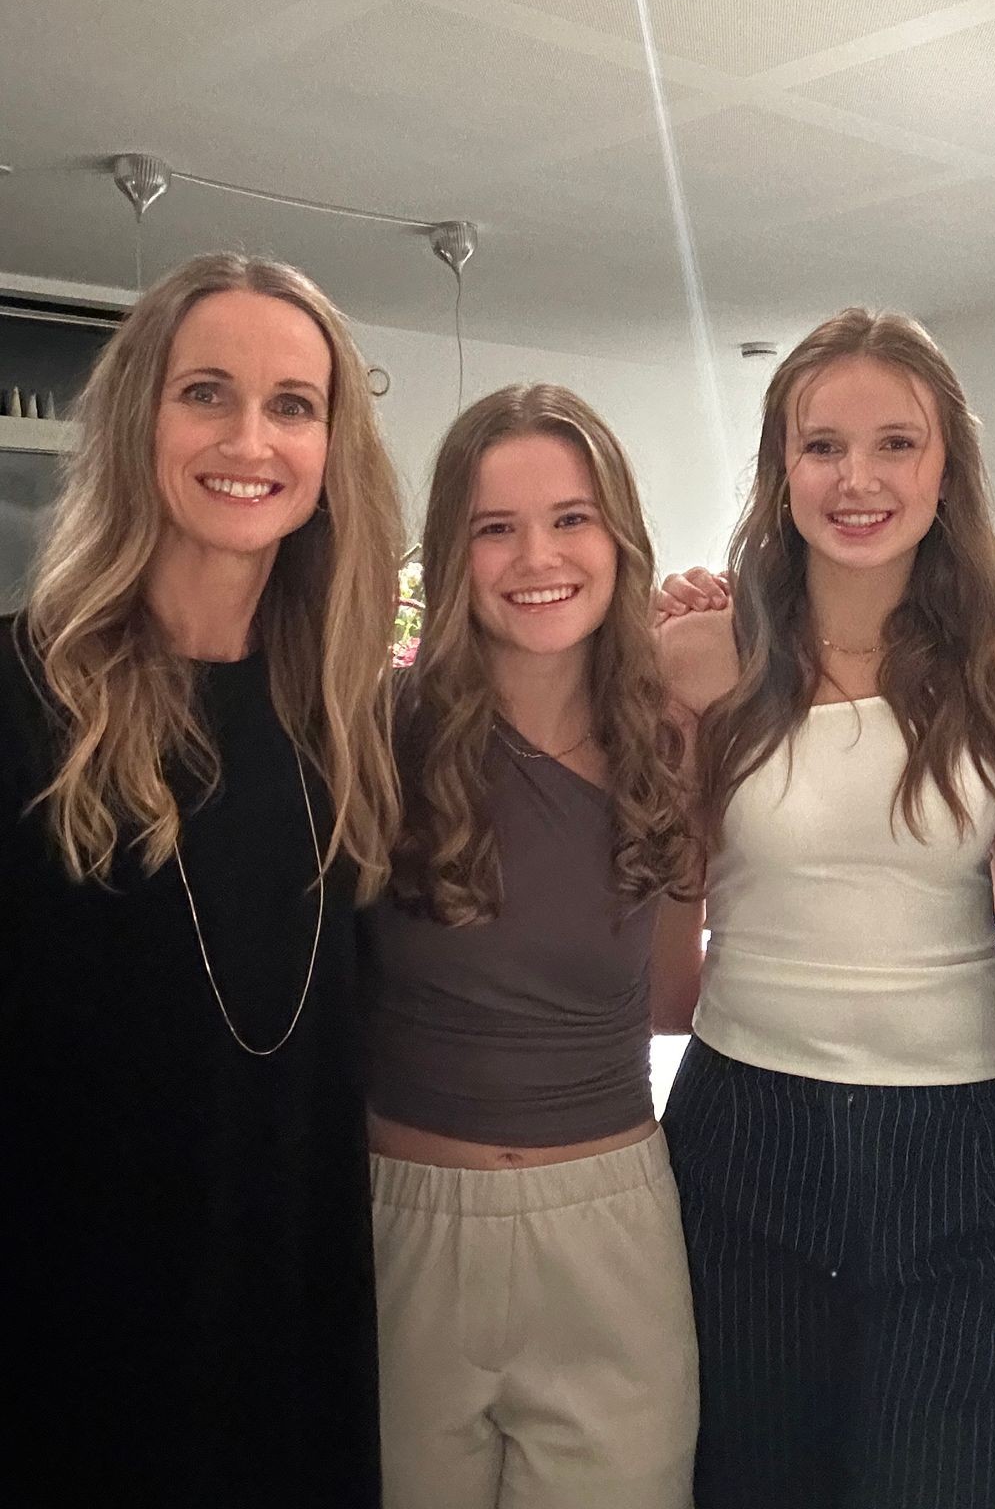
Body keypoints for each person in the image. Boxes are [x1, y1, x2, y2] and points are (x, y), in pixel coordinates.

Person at [0, 253, 404, 1508]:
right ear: (139, 420)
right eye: (206, 393)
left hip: (291, 1333)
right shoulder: (22, 695)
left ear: (332, 449)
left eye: (294, 405)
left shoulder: (348, 720)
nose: (250, 440)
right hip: (64, 1352)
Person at [655, 308, 995, 1509]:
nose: (858, 479)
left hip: (965, 1149)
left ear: (946, 469)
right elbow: (666, 971)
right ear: (781, 469)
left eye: (897, 443)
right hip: (746, 1134)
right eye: (823, 446)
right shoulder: (695, 661)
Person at [362, 383, 701, 1509]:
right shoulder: (375, 734)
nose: (537, 557)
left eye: (570, 519)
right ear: (448, 555)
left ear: (620, 536)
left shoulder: (673, 740)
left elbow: (672, 999)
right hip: (400, 1225)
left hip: (611, 1229)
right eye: (494, 528)